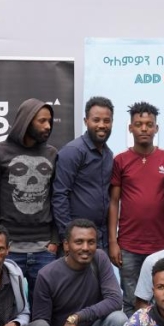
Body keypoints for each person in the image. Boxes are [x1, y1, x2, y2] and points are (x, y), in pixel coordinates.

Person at [0, 98, 59, 299]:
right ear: (26, 121)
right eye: (42, 121)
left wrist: (54, 240)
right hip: (10, 247)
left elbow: (56, 197)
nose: (48, 126)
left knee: (44, 305)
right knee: (6, 302)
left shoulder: (51, 153)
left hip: (44, 247)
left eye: (50, 121)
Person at [110, 101, 164, 312]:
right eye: (139, 124)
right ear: (130, 128)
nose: (144, 128)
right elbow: (114, 202)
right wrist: (113, 241)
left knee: (162, 300)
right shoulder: (120, 160)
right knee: (131, 301)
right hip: (128, 245)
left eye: (149, 124)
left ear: (157, 128)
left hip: (161, 244)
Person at [53, 96, 114, 246]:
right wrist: (67, 237)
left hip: (100, 238)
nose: (102, 125)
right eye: (96, 120)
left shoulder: (108, 154)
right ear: (86, 121)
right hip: (77, 239)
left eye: (107, 121)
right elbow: (60, 195)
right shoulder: (73, 151)